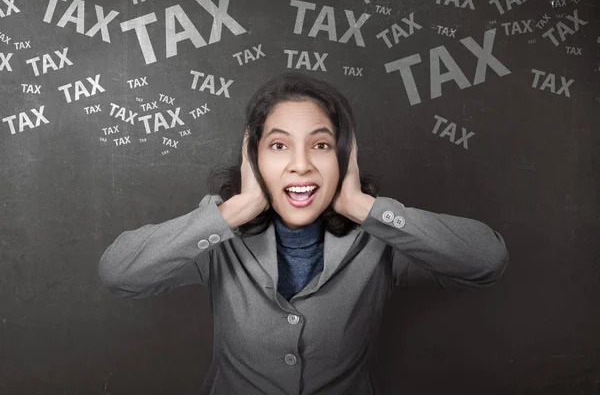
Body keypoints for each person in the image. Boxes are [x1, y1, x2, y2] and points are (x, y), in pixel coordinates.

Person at [98, 72, 509, 395]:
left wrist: (362, 206)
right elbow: (119, 273)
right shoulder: (218, 233)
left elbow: (486, 261)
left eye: (321, 146)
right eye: (278, 146)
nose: (300, 165)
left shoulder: (380, 236)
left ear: (343, 157)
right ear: (253, 158)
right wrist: (235, 210)